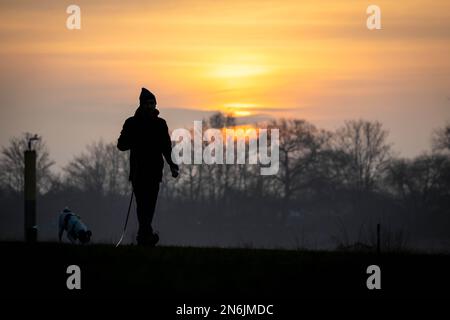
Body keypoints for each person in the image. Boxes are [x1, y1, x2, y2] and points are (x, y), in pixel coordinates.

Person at [117, 88, 179, 246]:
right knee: (142, 206)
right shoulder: (131, 123)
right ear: (141, 105)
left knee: (149, 207)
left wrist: (172, 165)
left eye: (153, 103)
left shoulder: (160, 124)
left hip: (154, 172)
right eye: (148, 103)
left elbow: (166, 147)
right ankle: (146, 236)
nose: (151, 106)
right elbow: (121, 145)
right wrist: (134, 139)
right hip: (138, 172)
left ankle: (144, 236)